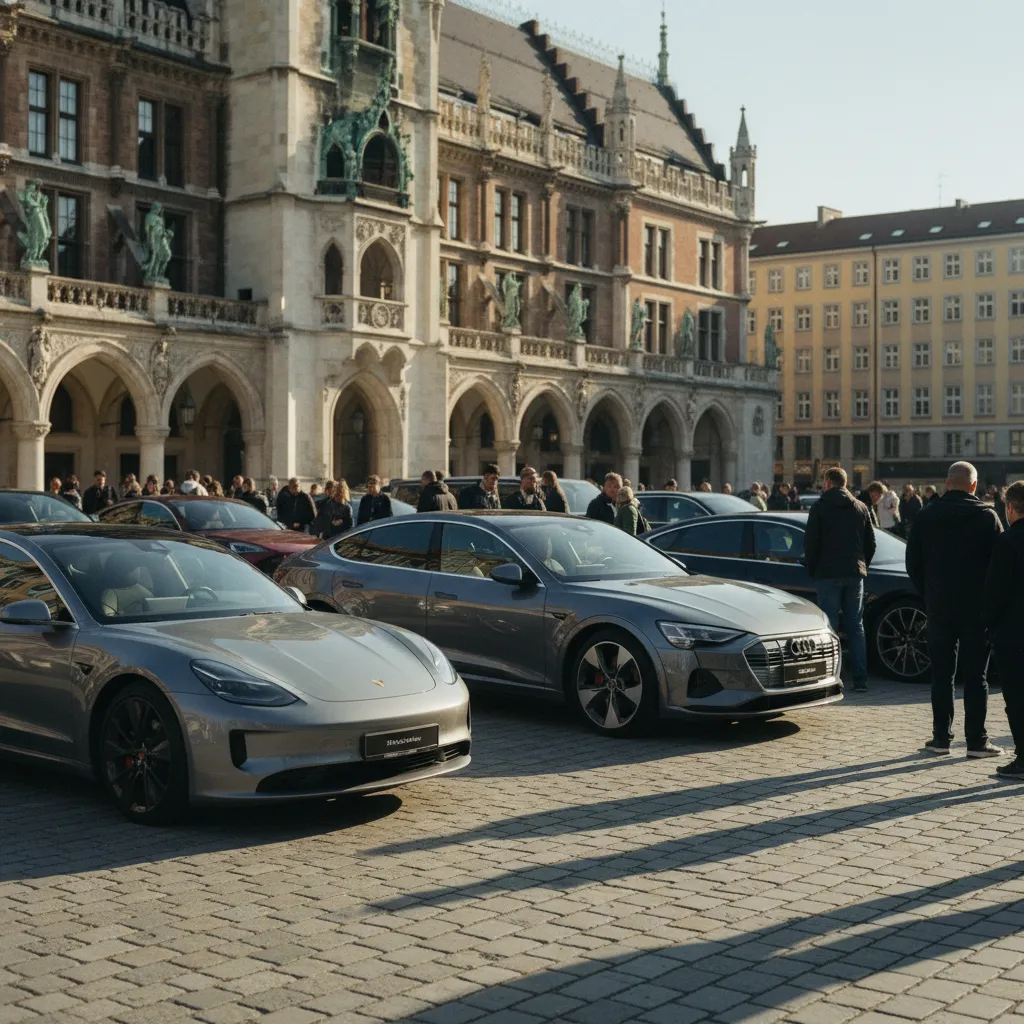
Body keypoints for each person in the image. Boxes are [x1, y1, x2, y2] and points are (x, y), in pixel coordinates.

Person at [906, 461, 1004, 757]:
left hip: (940, 608)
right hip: (977, 611)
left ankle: (940, 739)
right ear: (974, 486)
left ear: (947, 484)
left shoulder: (926, 516)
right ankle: (976, 741)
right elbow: (999, 567)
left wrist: (929, 594)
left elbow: (913, 563)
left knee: (942, 675)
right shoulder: (988, 517)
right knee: (977, 677)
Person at [804, 467, 875, 693]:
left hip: (827, 573)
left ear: (827, 482)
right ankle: (861, 679)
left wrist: (813, 569)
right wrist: (861, 564)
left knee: (829, 626)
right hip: (854, 573)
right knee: (856, 626)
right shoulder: (860, 507)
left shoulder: (820, 507)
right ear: (845, 483)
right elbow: (871, 544)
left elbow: (811, 543)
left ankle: (831, 678)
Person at [984, 480, 1024, 778]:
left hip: (1014, 633)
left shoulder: (1007, 542)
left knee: (1017, 699)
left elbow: (995, 593)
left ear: (1010, 508)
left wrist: (989, 626)